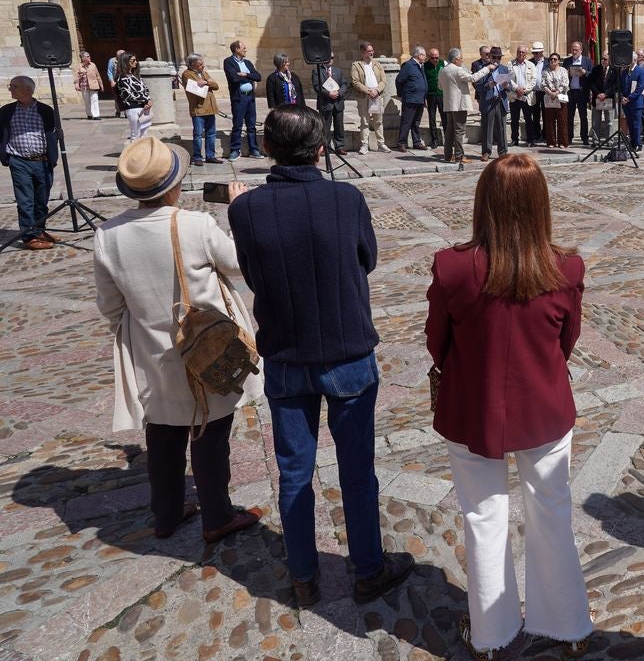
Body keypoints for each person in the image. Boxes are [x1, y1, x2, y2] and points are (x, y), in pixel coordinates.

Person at [228, 104, 412, 607]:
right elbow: (367, 259)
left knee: (294, 471)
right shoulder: (345, 198)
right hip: (346, 350)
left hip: (287, 356)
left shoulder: (244, 210)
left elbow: (251, 270)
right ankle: (368, 569)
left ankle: (304, 575)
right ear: (321, 149)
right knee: (357, 470)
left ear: (265, 149)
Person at [426, 154, 593, 659]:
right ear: (541, 205)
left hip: (471, 409)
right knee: (552, 512)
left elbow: (437, 342)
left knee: (483, 516)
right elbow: (568, 338)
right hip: (542, 406)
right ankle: (566, 625)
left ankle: (492, 635)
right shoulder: (564, 266)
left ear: (483, 204)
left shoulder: (453, 265)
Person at [93, 136, 263, 543]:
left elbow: (110, 306)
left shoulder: (108, 235)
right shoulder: (195, 225)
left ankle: (165, 515)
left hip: (151, 351)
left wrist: (144, 329)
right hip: (208, 344)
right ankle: (217, 515)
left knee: (163, 434)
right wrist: (238, 212)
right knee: (211, 431)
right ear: (173, 185)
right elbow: (241, 265)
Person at [1, 76, 59, 250]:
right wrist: (5, 156)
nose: (10, 89)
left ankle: (39, 230)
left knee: (42, 200)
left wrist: (52, 158)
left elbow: (51, 134)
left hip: (42, 161)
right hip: (18, 161)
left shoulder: (45, 110)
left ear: (28, 89)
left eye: (14, 87)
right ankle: (29, 237)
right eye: (10, 86)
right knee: (25, 200)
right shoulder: (6, 111)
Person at [438, 48, 496, 163]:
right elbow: (473, 78)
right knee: (459, 130)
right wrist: (487, 68)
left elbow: (440, 87)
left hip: (449, 105)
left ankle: (448, 155)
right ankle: (459, 156)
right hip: (459, 105)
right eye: (461, 59)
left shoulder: (442, 70)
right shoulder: (457, 70)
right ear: (455, 60)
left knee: (449, 130)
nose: (462, 61)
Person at [222, 40, 263, 161]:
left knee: (251, 125)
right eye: (243, 48)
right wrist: (248, 76)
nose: (245, 50)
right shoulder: (228, 62)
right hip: (239, 98)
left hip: (250, 97)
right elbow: (233, 78)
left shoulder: (248, 63)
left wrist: (245, 74)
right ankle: (235, 150)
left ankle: (253, 149)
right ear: (236, 49)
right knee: (238, 124)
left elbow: (258, 77)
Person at [181, 54, 223, 166]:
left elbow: (216, 86)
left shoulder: (204, 73)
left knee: (211, 133)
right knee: (198, 134)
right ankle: (197, 157)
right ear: (193, 65)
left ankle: (210, 156)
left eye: (202, 63)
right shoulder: (187, 74)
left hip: (210, 108)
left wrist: (206, 82)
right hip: (198, 109)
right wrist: (205, 83)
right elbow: (194, 88)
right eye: (200, 64)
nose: (203, 66)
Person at [351, 43, 390, 154]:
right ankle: (364, 145)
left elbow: (383, 80)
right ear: (363, 52)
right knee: (365, 121)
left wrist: (376, 90)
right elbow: (355, 81)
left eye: (372, 50)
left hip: (376, 96)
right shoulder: (356, 65)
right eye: (369, 51)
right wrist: (368, 91)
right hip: (364, 96)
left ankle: (381, 143)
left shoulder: (377, 64)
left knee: (378, 121)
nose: (372, 53)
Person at [476, 46, 510, 161]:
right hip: (488, 102)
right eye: (494, 57)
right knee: (487, 128)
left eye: (498, 58)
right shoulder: (483, 69)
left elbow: (509, 87)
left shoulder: (504, 69)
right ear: (489, 57)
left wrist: (506, 86)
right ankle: (486, 152)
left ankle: (503, 151)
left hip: (500, 101)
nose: (496, 60)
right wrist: (488, 85)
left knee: (501, 128)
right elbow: (478, 87)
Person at [312, 58, 349, 154]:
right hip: (325, 103)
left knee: (339, 126)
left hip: (338, 103)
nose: (330, 60)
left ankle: (340, 146)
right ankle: (325, 147)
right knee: (325, 126)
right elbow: (317, 86)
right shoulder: (317, 71)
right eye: (328, 57)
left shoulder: (338, 71)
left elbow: (344, 84)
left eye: (332, 57)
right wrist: (328, 94)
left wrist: (339, 93)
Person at [396, 46, 429, 152]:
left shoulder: (420, 66)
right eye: (424, 55)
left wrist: (424, 97)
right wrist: (401, 94)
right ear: (419, 55)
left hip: (420, 99)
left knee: (416, 122)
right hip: (410, 99)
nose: (425, 57)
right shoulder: (408, 65)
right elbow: (399, 80)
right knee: (406, 121)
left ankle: (417, 142)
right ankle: (401, 143)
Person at [115, 53, 152, 143]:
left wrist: (149, 101)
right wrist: (145, 101)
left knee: (144, 133)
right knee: (135, 134)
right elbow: (128, 94)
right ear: (125, 62)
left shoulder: (136, 75)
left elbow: (145, 89)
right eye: (133, 61)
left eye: (136, 60)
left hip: (144, 107)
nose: (136, 62)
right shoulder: (121, 77)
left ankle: (143, 154)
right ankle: (134, 155)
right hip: (132, 107)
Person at [564, 41, 593, 146]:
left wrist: (585, 73)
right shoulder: (567, 61)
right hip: (570, 92)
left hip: (582, 92)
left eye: (576, 49)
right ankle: (569, 137)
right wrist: (566, 73)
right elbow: (562, 75)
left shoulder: (587, 61)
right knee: (569, 116)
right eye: (572, 49)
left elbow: (592, 76)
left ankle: (584, 137)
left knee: (583, 116)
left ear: (581, 50)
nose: (574, 51)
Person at [508, 45, 538, 146]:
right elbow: (509, 79)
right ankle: (514, 139)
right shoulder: (510, 64)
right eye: (519, 51)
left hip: (526, 96)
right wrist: (517, 88)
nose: (520, 54)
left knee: (528, 119)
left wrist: (524, 90)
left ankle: (530, 140)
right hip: (514, 95)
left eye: (522, 52)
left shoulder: (531, 65)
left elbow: (533, 80)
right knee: (514, 119)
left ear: (526, 54)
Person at [587, 51, 619, 143]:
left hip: (608, 98)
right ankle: (596, 140)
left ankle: (610, 141)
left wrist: (605, 94)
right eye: (602, 59)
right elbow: (591, 83)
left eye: (605, 59)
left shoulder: (615, 70)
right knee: (595, 122)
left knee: (609, 122)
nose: (603, 61)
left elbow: (616, 86)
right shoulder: (596, 69)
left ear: (609, 60)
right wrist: (598, 94)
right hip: (597, 99)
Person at [540, 53, 569, 149]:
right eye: (551, 59)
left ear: (558, 61)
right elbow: (543, 84)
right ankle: (551, 142)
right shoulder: (545, 71)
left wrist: (556, 93)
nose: (552, 61)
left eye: (555, 59)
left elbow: (565, 84)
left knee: (562, 121)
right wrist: (550, 92)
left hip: (560, 98)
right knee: (550, 121)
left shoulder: (563, 70)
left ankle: (563, 142)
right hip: (549, 98)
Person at [621, 50, 644, 152]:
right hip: (626, 103)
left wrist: (629, 98)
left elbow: (639, 89)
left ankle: (637, 144)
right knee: (630, 124)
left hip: (635, 103)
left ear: (635, 60)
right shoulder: (624, 72)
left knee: (636, 125)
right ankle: (632, 143)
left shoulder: (640, 72)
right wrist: (622, 97)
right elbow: (621, 86)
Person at [424, 47, 446, 150]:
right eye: (433, 58)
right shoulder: (425, 66)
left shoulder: (443, 64)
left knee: (445, 117)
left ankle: (447, 138)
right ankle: (434, 140)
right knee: (432, 118)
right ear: (429, 57)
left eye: (436, 57)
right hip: (431, 95)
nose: (435, 60)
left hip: (442, 94)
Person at [74, 51, 103, 120]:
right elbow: (76, 76)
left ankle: (96, 115)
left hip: (94, 85)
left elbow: (97, 75)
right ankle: (89, 114)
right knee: (87, 101)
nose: (89, 57)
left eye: (89, 56)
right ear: (83, 58)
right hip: (84, 86)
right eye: (87, 56)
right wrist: (76, 84)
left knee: (94, 99)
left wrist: (101, 84)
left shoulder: (93, 65)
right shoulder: (78, 66)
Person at [529, 41, 547, 144]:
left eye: (537, 53)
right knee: (535, 114)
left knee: (545, 114)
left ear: (541, 52)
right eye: (534, 53)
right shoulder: (530, 62)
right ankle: (536, 134)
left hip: (544, 91)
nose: (535, 55)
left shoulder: (548, 61)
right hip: (534, 91)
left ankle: (545, 135)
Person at [107, 48, 125, 117]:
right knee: (117, 96)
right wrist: (111, 81)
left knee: (126, 95)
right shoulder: (112, 61)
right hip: (116, 81)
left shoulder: (126, 60)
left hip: (124, 80)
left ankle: (126, 112)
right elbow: (109, 72)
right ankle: (118, 110)